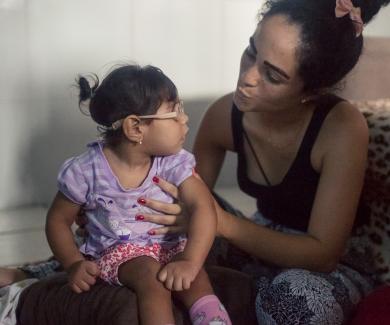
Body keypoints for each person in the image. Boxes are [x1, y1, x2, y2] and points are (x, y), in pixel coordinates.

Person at [1, 0, 389, 324]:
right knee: (165, 212)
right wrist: (114, 206)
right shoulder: (228, 113)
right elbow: (176, 199)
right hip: (254, 241)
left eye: (272, 74)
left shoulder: (340, 127)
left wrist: (219, 224)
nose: (247, 78)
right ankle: (47, 272)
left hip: (332, 263)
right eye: (252, 50)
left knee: (295, 301)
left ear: (311, 90)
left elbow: (322, 254)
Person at [44, 64, 231, 325]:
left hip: (171, 245)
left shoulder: (172, 162)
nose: (184, 120)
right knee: (151, 277)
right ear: (135, 127)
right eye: (174, 113)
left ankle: (214, 321)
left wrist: (190, 260)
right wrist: (73, 263)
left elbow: (203, 207)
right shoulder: (86, 171)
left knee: (196, 277)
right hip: (119, 253)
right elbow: (57, 221)